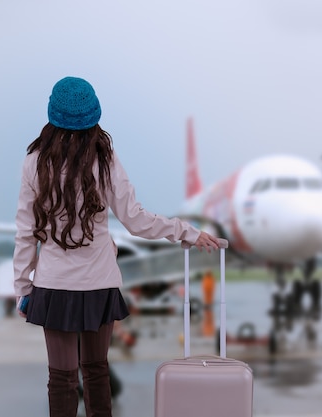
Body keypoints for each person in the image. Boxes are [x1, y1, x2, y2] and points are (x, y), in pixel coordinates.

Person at [13, 76, 221, 417]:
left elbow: (25, 231)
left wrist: (23, 286)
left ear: (52, 116)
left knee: (61, 378)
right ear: (94, 116)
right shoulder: (105, 160)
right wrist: (185, 231)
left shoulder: (34, 162)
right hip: (99, 283)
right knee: (96, 371)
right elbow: (136, 220)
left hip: (54, 285)